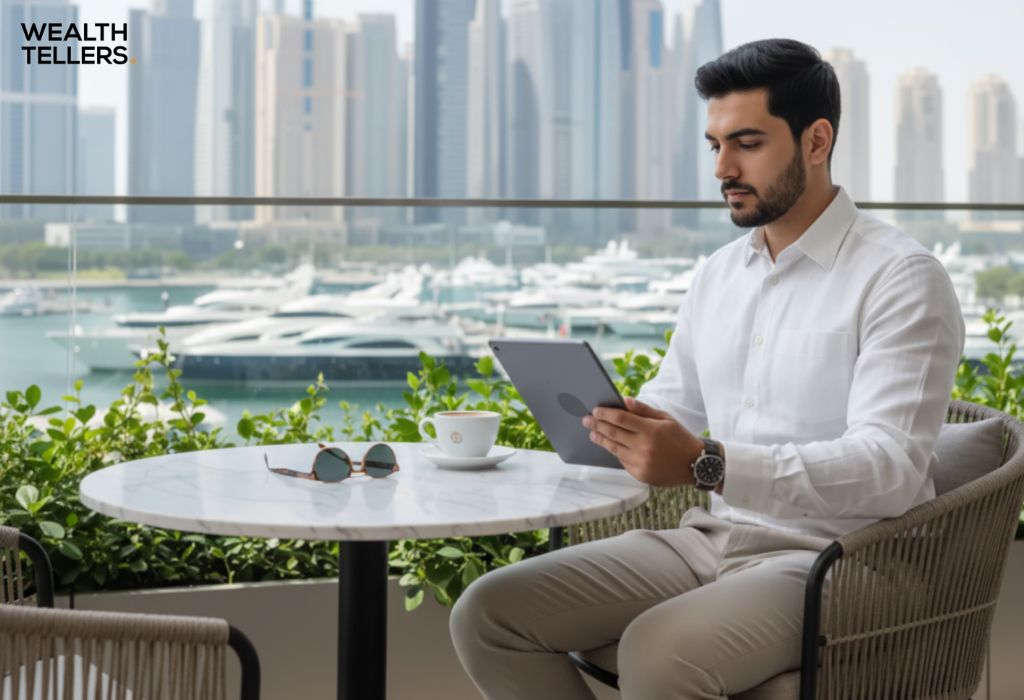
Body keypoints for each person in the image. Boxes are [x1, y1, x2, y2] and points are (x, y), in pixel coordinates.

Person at [449, 38, 965, 700]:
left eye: (747, 143)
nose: (723, 167)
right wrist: (615, 425)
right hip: (712, 540)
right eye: (714, 145)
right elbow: (676, 414)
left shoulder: (901, 278)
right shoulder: (719, 275)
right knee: (490, 613)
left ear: (816, 141)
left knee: (660, 650)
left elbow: (889, 469)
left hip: (844, 562)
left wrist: (708, 465)